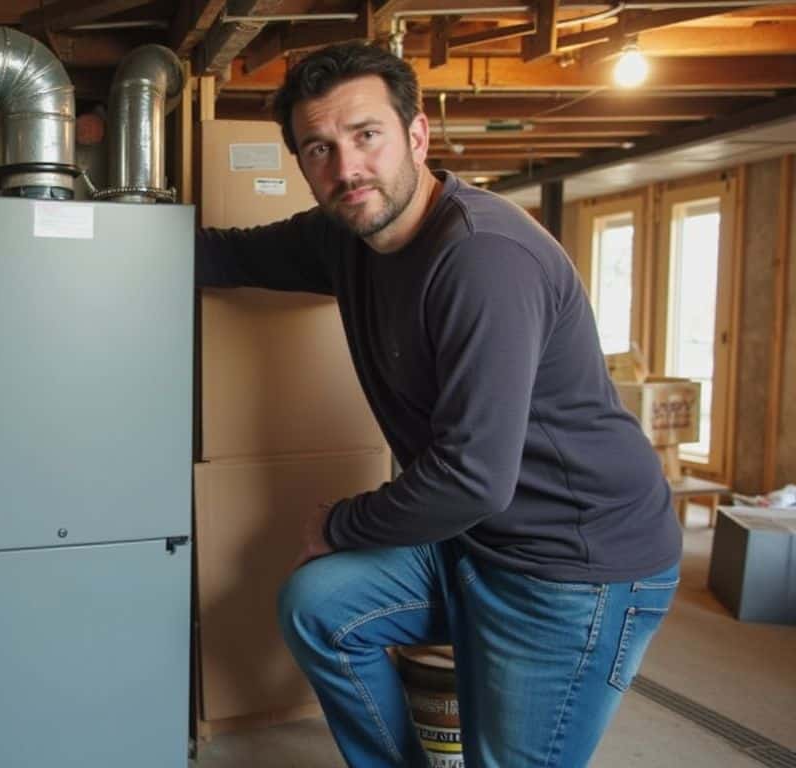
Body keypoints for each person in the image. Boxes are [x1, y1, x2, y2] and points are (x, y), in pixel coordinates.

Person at [196, 42, 682, 767]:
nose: (347, 167)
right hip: (476, 537)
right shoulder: (346, 236)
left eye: (367, 136)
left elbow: (472, 478)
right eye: (319, 148)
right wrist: (108, 243)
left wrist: (342, 522)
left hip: (572, 564)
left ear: (416, 135)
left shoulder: (482, 259)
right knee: (319, 607)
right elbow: (229, 254)